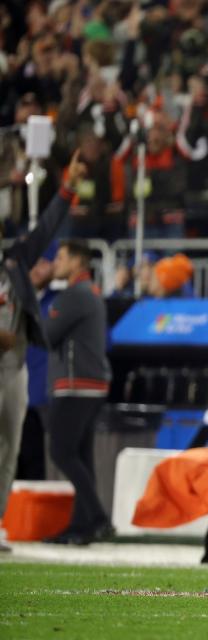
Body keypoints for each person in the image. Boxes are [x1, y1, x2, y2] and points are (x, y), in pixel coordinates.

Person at [0, 152, 85, 553]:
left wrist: (69, 186)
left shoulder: (15, 258)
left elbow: (47, 227)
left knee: (9, 445)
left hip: (14, 362)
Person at [43, 239, 112, 545]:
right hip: (91, 384)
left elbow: (46, 335)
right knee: (81, 455)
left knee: (61, 451)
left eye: (60, 258)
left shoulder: (73, 295)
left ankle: (97, 517)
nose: (55, 263)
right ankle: (81, 526)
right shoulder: (91, 293)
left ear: (77, 262)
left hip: (76, 384)